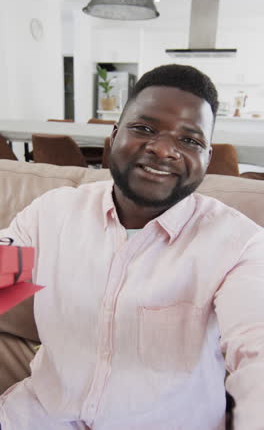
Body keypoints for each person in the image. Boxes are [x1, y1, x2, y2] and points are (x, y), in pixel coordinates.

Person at [0, 64, 264, 430]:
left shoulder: (239, 244)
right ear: (114, 136)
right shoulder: (51, 213)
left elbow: (256, 350)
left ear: (207, 158)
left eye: (190, 140)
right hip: (39, 416)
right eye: (144, 128)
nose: (163, 149)